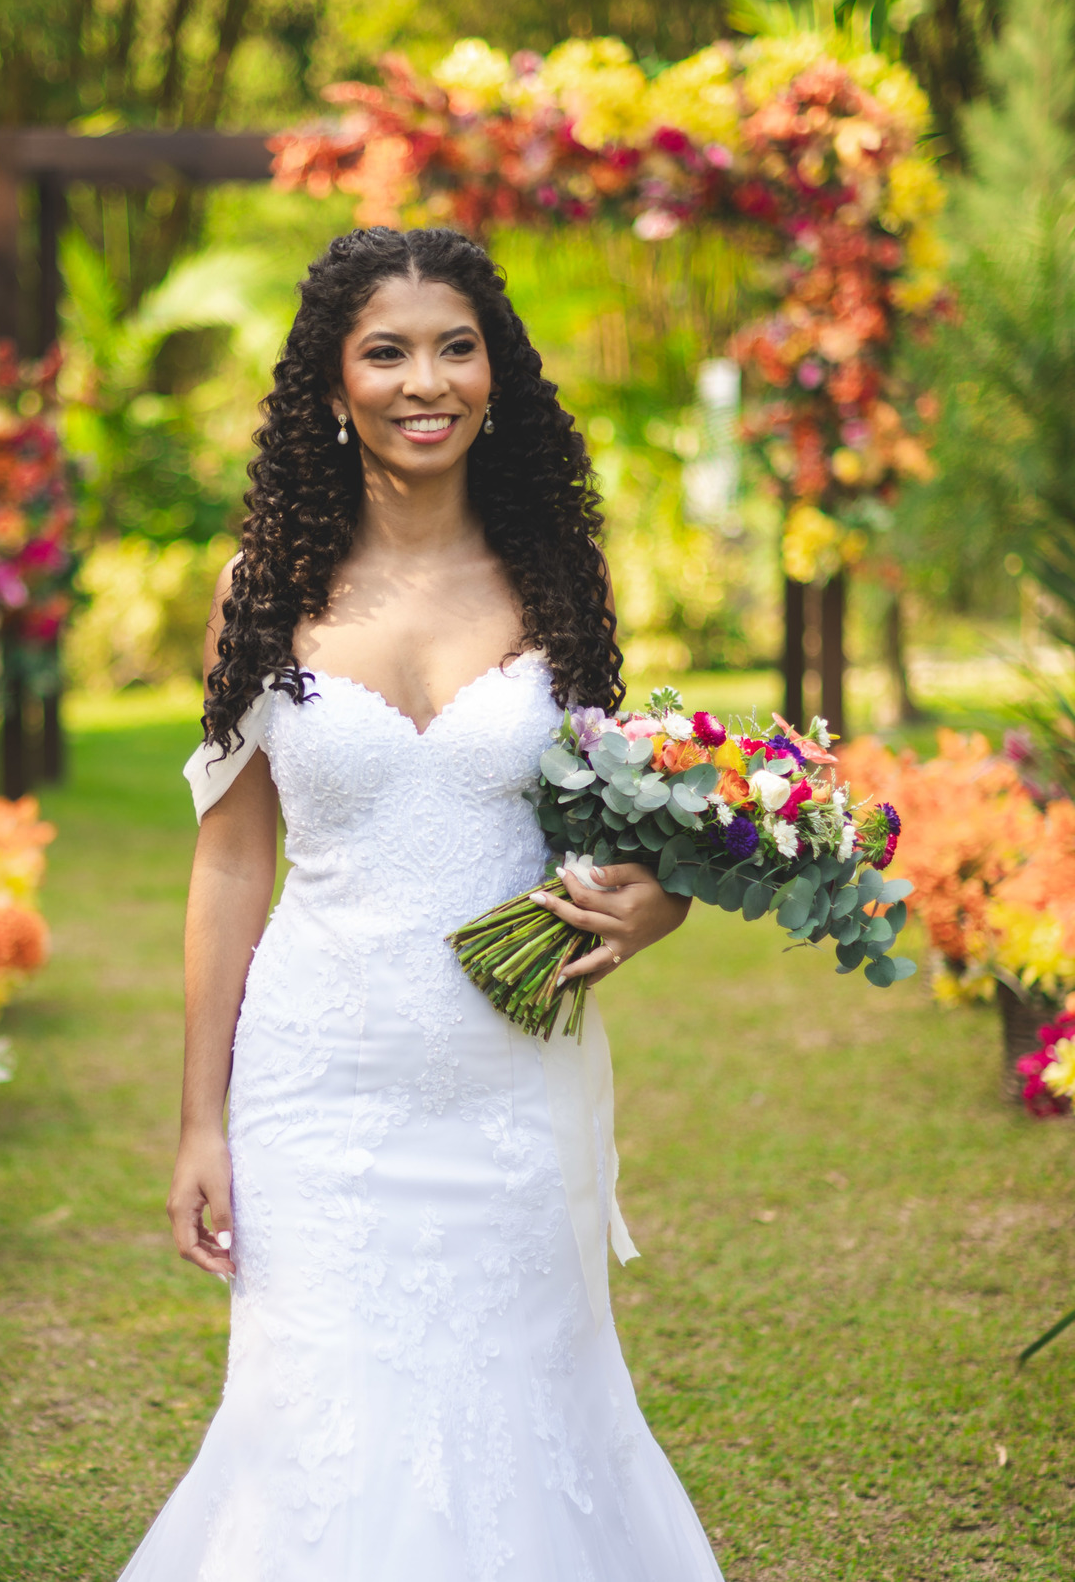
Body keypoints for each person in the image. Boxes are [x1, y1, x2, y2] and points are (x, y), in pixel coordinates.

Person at [119, 226, 725, 1581]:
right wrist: (201, 1120)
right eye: (385, 351)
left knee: (526, 1405)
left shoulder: (557, 579)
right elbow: (228, 864)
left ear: (497, 376)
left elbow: (627, 822)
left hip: (514, 1084)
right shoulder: (259, 595)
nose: (424, 379)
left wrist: (656, 909)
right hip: (315, 1084)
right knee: (314, 1428)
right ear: (334, 387)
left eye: (457, 347)